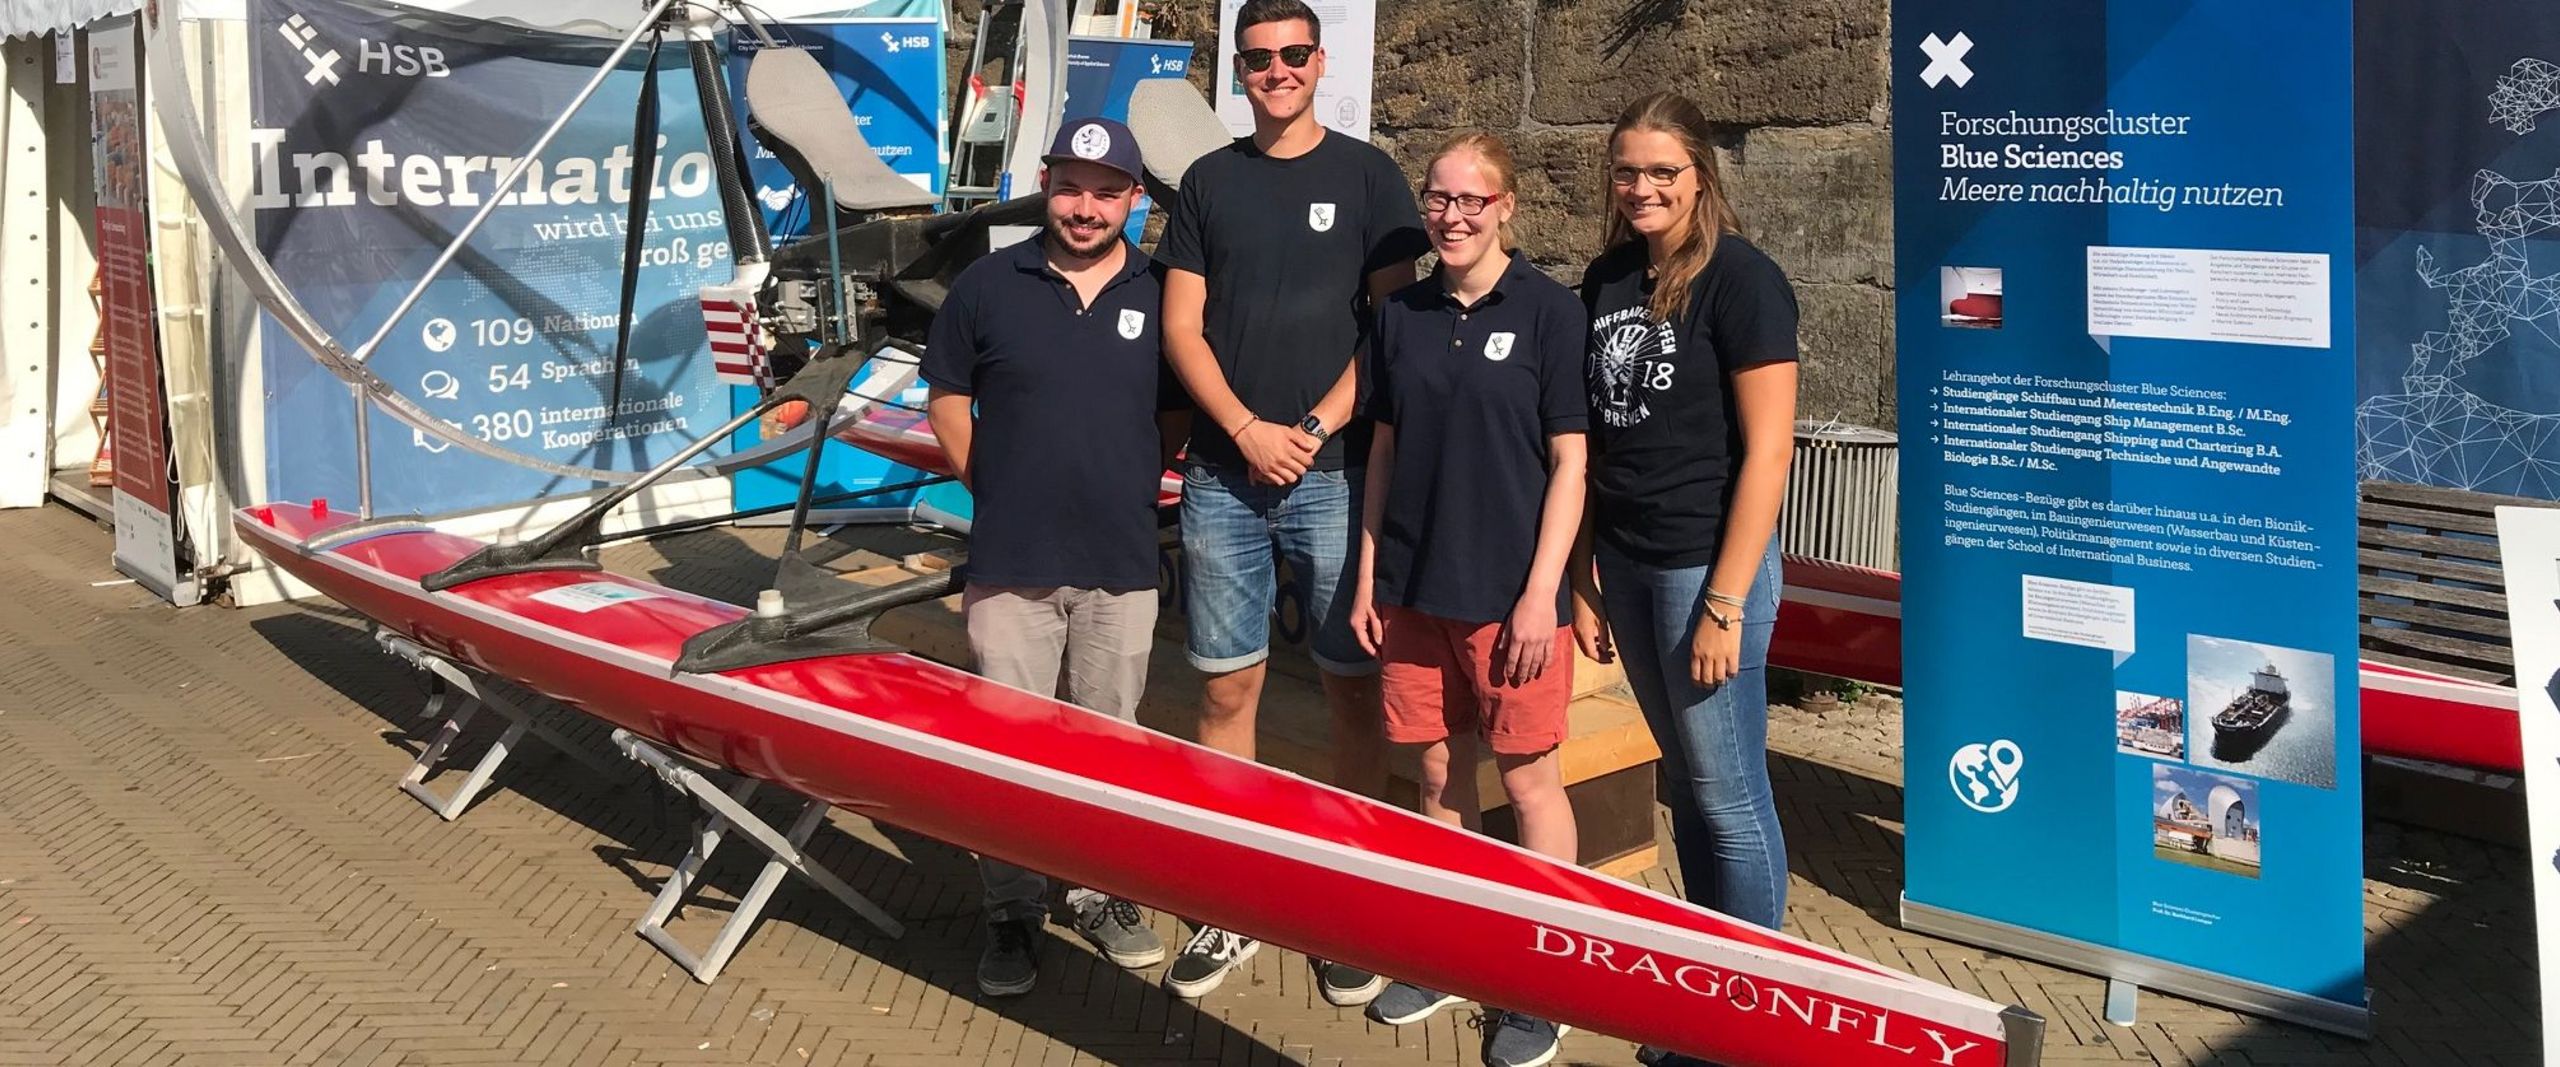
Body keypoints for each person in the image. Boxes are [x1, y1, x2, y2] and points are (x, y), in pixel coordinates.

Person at [1155, 0, 1428, 1005]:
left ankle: (1345, 890)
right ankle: (1231, 898)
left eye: (1292, 55)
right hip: (1227, 479)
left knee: (1353, 690)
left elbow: (1392, 327)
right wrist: (1243, 428)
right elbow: (1183, 328)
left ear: (1319, 63)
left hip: (1333, 479)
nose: (1275, 70)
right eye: (1257, 57)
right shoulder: (1207, 182)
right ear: (1238, 71)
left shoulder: (1368, 176)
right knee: (1226, 692)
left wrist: (1308, 428)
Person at [914, 116, 1186, 998]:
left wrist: (1130, 475)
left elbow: (1175, 415)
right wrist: (987, 480)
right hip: (1011, 556)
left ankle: (1101, 892)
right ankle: (1012, 909)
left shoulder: (1165, 292)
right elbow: (948, 395)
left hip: (1118, 561)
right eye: (1071, 187)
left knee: (1110, 744)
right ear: (1045, 185)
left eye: (1107, 192)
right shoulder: (989, 284)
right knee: (1010, 749)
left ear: (1134, 200)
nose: (1085, 207)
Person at [1567, 92, 1800, 1067]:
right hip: (1625, 559)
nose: (1643, 186)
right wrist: (1583, 571)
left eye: (1662, 170)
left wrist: (1725, 599)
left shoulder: (1744, 281)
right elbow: (1592, 433)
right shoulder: (1608, 275)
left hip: (1706, 568)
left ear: (1699, 174)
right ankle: (1706, 1009)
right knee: (1692, 797)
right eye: (1628, 169)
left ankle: (1751, 1024)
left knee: (1730, 795)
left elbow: (1769, 453)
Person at [1348, 132, 1588, 1067]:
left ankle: (1542, 976)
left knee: (1529, 780)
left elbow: (1570, 463)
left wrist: (1542, 595)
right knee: (1441, 781)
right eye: (1438, 198)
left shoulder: (1549, 313)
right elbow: (1384, 451)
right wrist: (1369, 572)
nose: (1451, 215)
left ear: (1507, 207)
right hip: (1413, 589)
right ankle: (1454, 949)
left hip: (1507, 597)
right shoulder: (1401, 313)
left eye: (1470, 200)